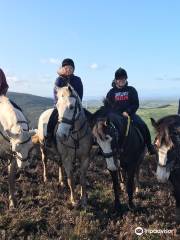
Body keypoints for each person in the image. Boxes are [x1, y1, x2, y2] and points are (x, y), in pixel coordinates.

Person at [106, 67, 156, 155]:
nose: (121, 80)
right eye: (119, 79)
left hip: (130, 115)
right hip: (115, 117)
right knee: (103, 129)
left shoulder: (131, 90)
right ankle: (102, 149)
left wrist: (128, 112)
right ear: (115, 80)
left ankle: (149, 146)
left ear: (126, 79)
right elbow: (108, 106)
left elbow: (135, 104)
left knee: (142, 125)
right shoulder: (111, 92)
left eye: (123, 78)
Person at [46, 58, 83, 147]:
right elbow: (56, 94)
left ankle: (92, 138)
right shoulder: (59, 80)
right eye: (66, 68)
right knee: (52, 118)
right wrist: (58, 105)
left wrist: (77, 104)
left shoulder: (77, 80)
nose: (68, 70)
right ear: (62, 69)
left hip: (74, 105)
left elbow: (80, 93)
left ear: (73, 69)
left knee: (88, 118)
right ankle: (49, 137)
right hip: (61, 106)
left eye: (70, 68)